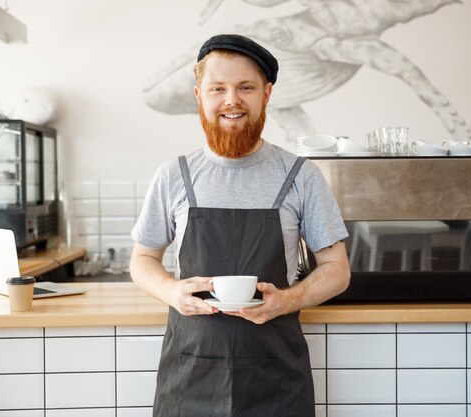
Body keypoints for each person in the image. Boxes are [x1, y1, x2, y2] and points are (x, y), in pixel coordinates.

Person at [130, 33, 351, 417]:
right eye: (218, 88)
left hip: (276, 378)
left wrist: (287, 299)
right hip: (191, 375)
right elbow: (143, 259)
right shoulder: (174, 176)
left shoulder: (300, 175)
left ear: (266, 94)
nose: (232, 100)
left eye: (245, 87)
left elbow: (337, 269)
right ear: (199, 96)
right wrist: (171, 291)